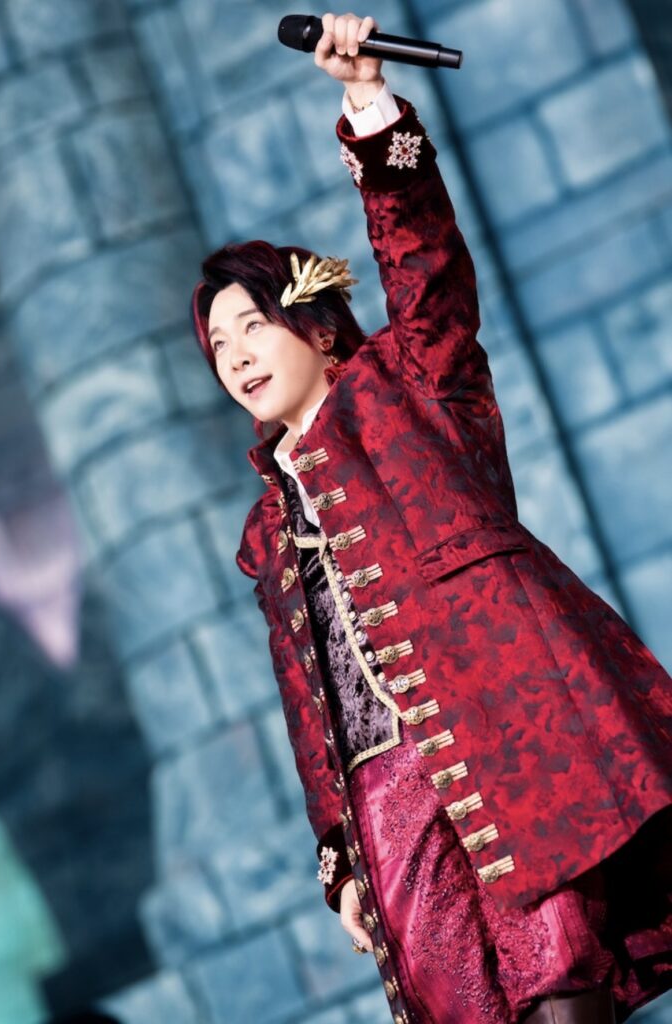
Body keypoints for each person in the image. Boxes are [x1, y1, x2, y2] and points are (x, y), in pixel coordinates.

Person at [191, 12, 672, 1024]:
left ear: (314, 327)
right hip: (390, 811)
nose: (234, 355)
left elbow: (426, 263)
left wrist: (368, 104)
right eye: (216, 345)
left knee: (561, 990)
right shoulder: (267, 532)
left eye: (250, 324)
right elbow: (308, 697)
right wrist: (339, 856)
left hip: (506, 745)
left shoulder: (415, 390)